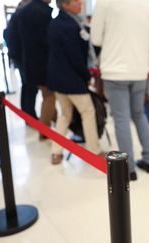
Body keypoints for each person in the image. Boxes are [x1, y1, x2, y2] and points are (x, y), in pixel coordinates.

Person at [91, 0, 149, 180]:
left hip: (115, 70)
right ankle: (148, 160)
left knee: (121, 120)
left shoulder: (105, 3)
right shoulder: (147, 6)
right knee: (139, 114)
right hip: (140, 69)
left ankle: (130, 168)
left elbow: (95, 38)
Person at [47, 0, 104, 164]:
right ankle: (94, 150)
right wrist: (86, 76)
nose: (80, 2)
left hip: (57, 78)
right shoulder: (71, 25)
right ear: (64, 4)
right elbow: (76, 57)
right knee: (88, 112)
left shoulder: (56, 22)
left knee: (65, 114)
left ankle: (56, 152)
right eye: (75, 1)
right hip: (71, 79)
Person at [16, 0, 57, 139]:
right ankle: (44, 131)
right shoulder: (43, 12)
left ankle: (55, 121)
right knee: (49, 97)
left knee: (47, 95)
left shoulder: (23, 11)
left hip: (30, 61)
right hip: (44, 63)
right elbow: (48, 40)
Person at [6, 0, 38, 121]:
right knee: (30, 86)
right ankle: (29, 115)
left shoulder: (17, 15)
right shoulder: (20, 16)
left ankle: (28, 113)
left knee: (27, 86)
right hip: (22, 57)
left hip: (20, 56)